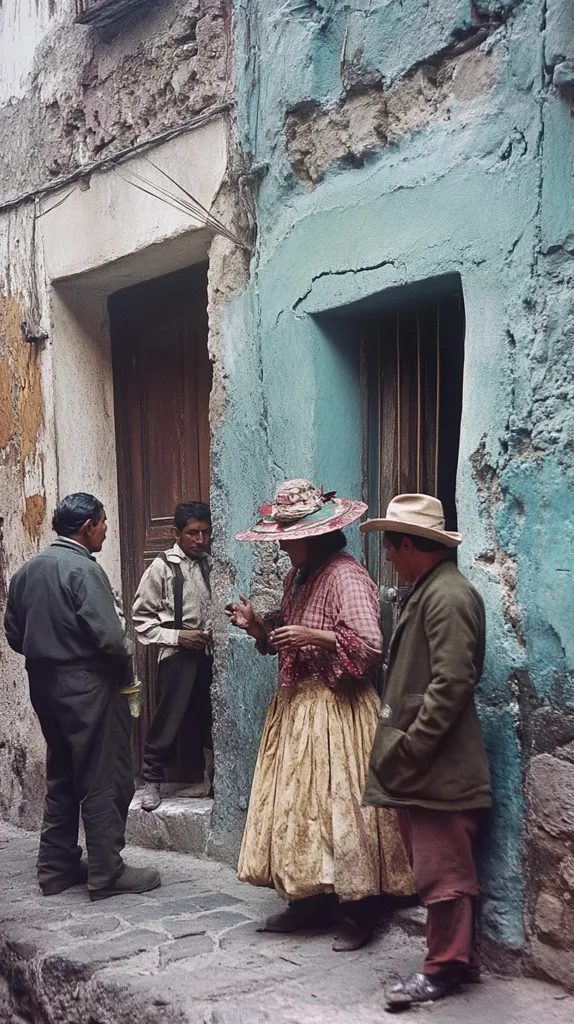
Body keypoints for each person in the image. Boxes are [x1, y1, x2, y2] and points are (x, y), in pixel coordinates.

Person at [226, 479, 413, 952]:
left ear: (313, 535)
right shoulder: (299, 578)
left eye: (289, 536)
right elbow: (286, 640)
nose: (284, 544)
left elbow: (370, 648)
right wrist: (257, 628)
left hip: (340, 707)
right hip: (299, 707)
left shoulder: (346, 576)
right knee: (300, 809)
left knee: (342, 809)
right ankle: (307, 902)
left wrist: (317, 636)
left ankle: (358, 911)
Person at [361, 493, 491, 1008]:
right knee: (439, 867)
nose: (388, 557)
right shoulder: (429, 590)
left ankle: (443, 970)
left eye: (391, 547)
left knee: (443, 873)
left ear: (411, 544)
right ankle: (459, 961)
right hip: (429, 763)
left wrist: (413, 747)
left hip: (439, 766)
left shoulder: (449, 596)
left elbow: (453, 682)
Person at [3, 492, 161, 901]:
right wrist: (120, 672)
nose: (107, 529)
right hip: (87, 685)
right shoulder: (83, 571)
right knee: (102, 774)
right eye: (104, 522)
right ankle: (107, 872)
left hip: (44, 685)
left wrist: (49, 655)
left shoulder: (26, 572)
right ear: (87, 525)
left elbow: (15, 634)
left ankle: (55, 868)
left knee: (63, 773)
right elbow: (111, 639)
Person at [133, 501, 213, 811]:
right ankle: (151, 781)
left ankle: (210, 780)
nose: (200, 540)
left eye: (206, 533)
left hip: (208, 655)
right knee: (169, 718)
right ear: (175, 533)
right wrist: (178, 636)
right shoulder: (162, 567)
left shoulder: (211, 564)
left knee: (207, 718)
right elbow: (141, 620)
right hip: (176, 658)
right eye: (193, 533)